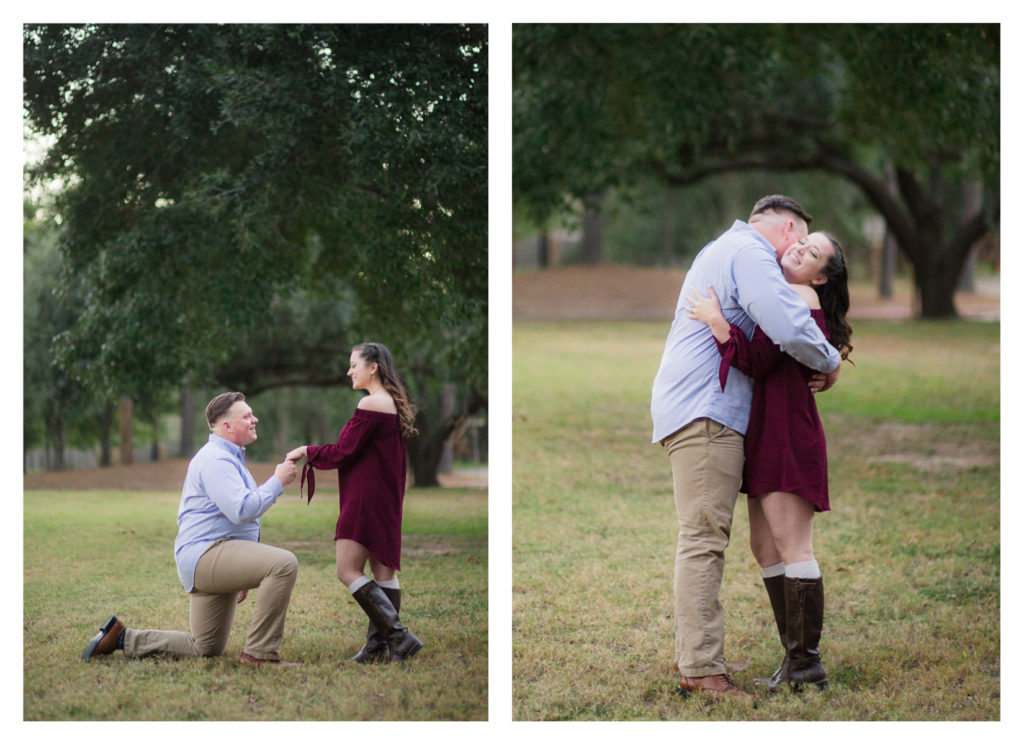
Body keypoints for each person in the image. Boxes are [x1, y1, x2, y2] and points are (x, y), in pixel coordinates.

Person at [650, 195, 841, 700]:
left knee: (762, 543)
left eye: (810, 250)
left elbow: (785, 335)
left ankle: (798, 663)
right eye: (799, 238)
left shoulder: (779, 283)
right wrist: (827, 360)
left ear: (822, 276)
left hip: (773, 427)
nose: (797, 248)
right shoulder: (750, 254)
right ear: (787, 226)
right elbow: (763, 351)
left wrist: (827, 358)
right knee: (717, 540)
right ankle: (708, 665)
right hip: (717, 416)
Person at [82, 392, 301, 666]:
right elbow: (242, 510)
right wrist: (278, 481)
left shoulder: (228, 458)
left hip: (208, 556)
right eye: (246, 416)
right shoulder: (216, 461)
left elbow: (235, 517)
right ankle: (260, 654)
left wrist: (244, 569)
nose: (254, 419)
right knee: (284, 563)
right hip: (207, 555)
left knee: (205, 647)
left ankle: (122, 638)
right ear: (227, 427)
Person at [286, 342, 422, 663]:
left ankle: (399, 638)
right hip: (385, 497)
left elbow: (343, 451)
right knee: (383, 572)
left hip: (365, 498)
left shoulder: (371, 404)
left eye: (353, 364)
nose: (349, 371)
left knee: (347, 569)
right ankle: (378, 647)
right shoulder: (391, 402)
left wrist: (306, 450)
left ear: (372, 367)